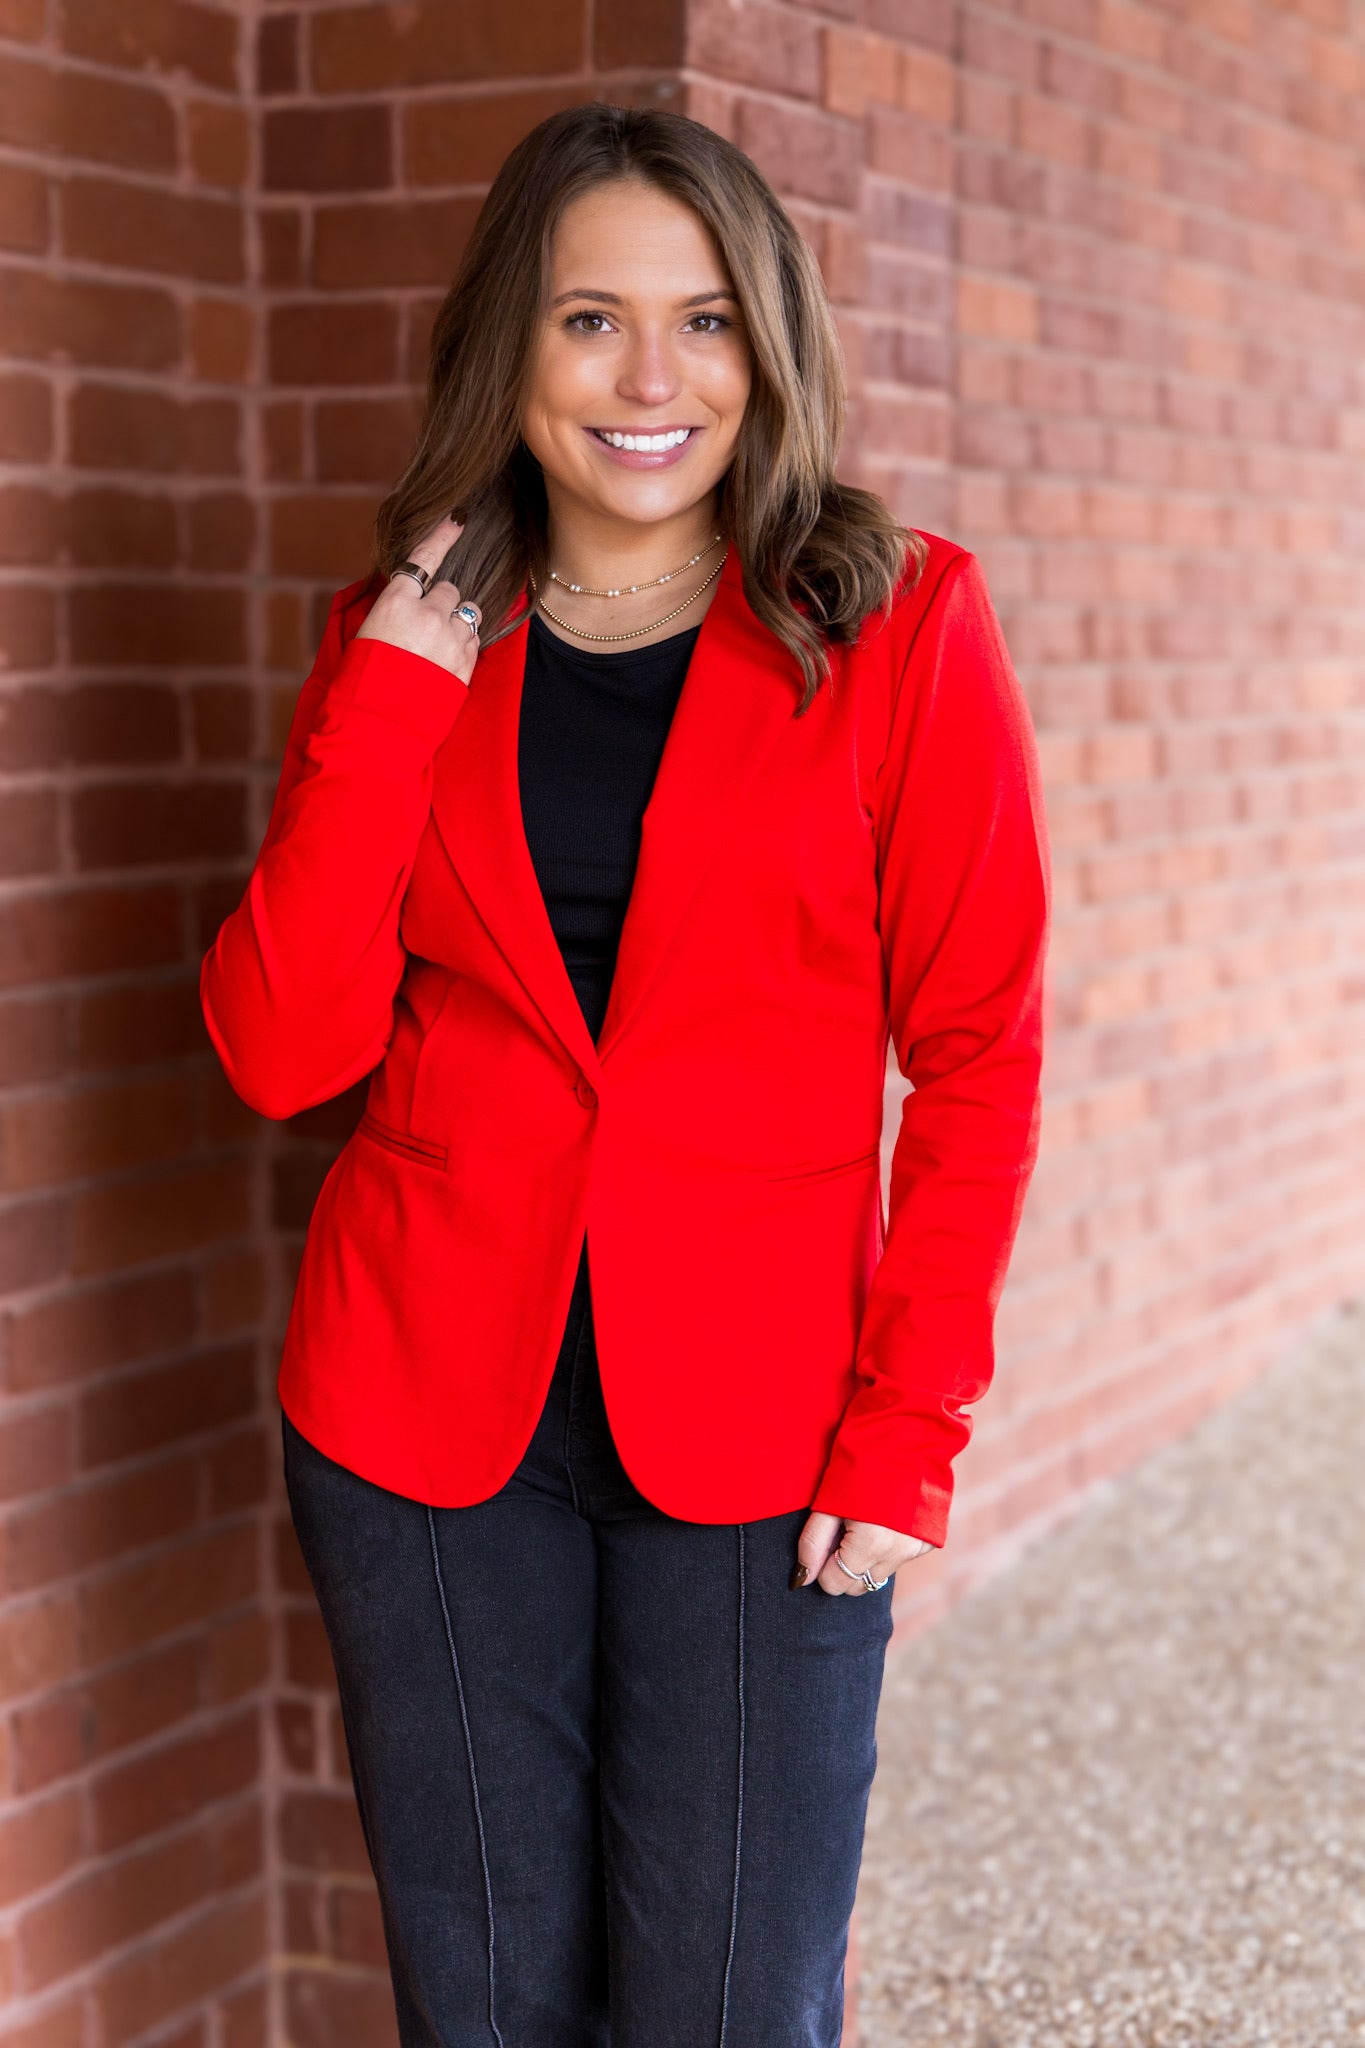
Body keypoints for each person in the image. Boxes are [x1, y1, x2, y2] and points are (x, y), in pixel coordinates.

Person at [200, 102, 1050, 2048]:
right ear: (512, 347)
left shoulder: (897, 627)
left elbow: (982, 1049)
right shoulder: (399, 638)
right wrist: (393, 698)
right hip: (419, 1420)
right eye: (589, 320)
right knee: (484, 2003)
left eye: (701, 322)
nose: (648, 379)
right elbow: (279, 1046)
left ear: (767, 348)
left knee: (728, 2004)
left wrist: (909, 1420)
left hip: (763, 1438)